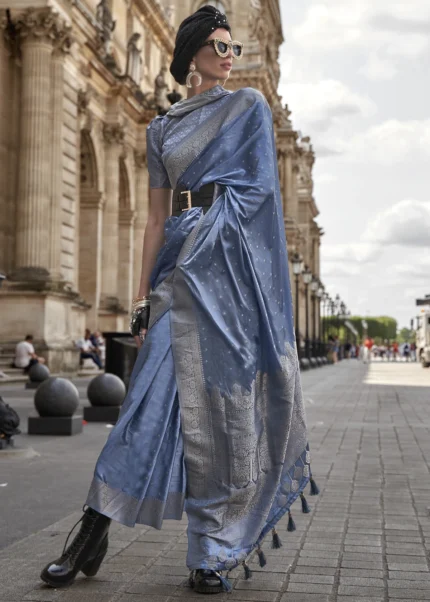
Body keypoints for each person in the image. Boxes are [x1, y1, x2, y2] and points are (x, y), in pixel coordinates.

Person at [40, 5, 318, 595]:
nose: (228, 55)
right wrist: (143, 296)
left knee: (221, 417)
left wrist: (217, 233)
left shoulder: (248, 108)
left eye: (233, 47)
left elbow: (261, 194)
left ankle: (210, 554)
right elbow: (153, 219)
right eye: (218, 46)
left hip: (228, 279)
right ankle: (91, 534)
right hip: (179, 274)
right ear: (190, 52)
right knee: (140, 406)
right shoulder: (161, 129)